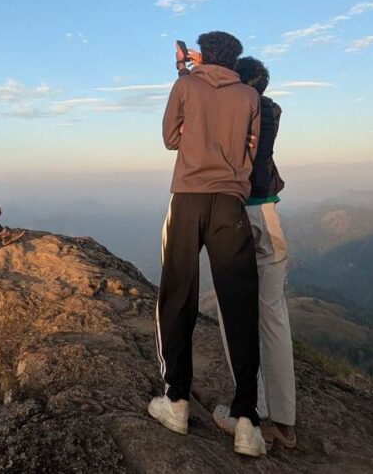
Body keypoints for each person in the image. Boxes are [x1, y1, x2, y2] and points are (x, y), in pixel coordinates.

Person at [149, 31, 266, 457]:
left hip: (188, 200)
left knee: (178, 293)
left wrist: (185, 74)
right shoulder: (248, 97)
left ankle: (176, 401)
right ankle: (246, 421)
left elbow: (169, 138)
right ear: (235, 58)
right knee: (239, 304)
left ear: (202, 54)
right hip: (231, 205)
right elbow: (249, 153)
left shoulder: (186, 84)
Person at [211, 57, 297, 450]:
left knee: (233, 312)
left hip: (238, 213)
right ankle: (286, 421)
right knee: (274, 315)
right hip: (270, 213)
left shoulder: (235, 108)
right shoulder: (271, 109)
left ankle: (253, 413)